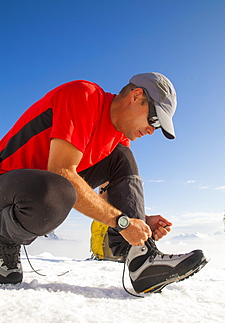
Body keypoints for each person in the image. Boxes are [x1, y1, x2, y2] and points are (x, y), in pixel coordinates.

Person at [0, 72, 209, 293]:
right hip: (7, 185)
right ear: (136, 96)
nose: (151, 130)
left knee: (121, 157)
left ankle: (141, 259)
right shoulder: (84, 95)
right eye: (154, 120)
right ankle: (4, 241)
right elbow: (62, 172)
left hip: (41, 190)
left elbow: (103, 199)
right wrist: (123, 223)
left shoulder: (118, 138)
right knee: (58, 190)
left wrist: (139, 222)